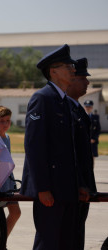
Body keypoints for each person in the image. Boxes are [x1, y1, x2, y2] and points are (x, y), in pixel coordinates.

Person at [20, 44, 81, 250]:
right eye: (68, 65)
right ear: (53, 71)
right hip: (51, 189)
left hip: (66, 187)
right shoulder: (42, 98)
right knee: (48, 243)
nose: (73, 69)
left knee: (65, 242)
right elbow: (34, 145)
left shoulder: (65, 102)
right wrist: (42, 188)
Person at [66, 57, 97, 250]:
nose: (87, 82)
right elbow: (69, 153)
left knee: (77, 237)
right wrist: (78, 184)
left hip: (83, 188)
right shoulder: (64, 109)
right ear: (70, 80)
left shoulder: (78, 109)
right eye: (82, 78)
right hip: (72, 189)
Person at [0, 106, 21, 239]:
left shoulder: (7, 137)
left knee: (15, 212)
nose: (6, 124)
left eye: (8, 121)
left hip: (7, 180)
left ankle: (0, 242)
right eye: (2, 121)